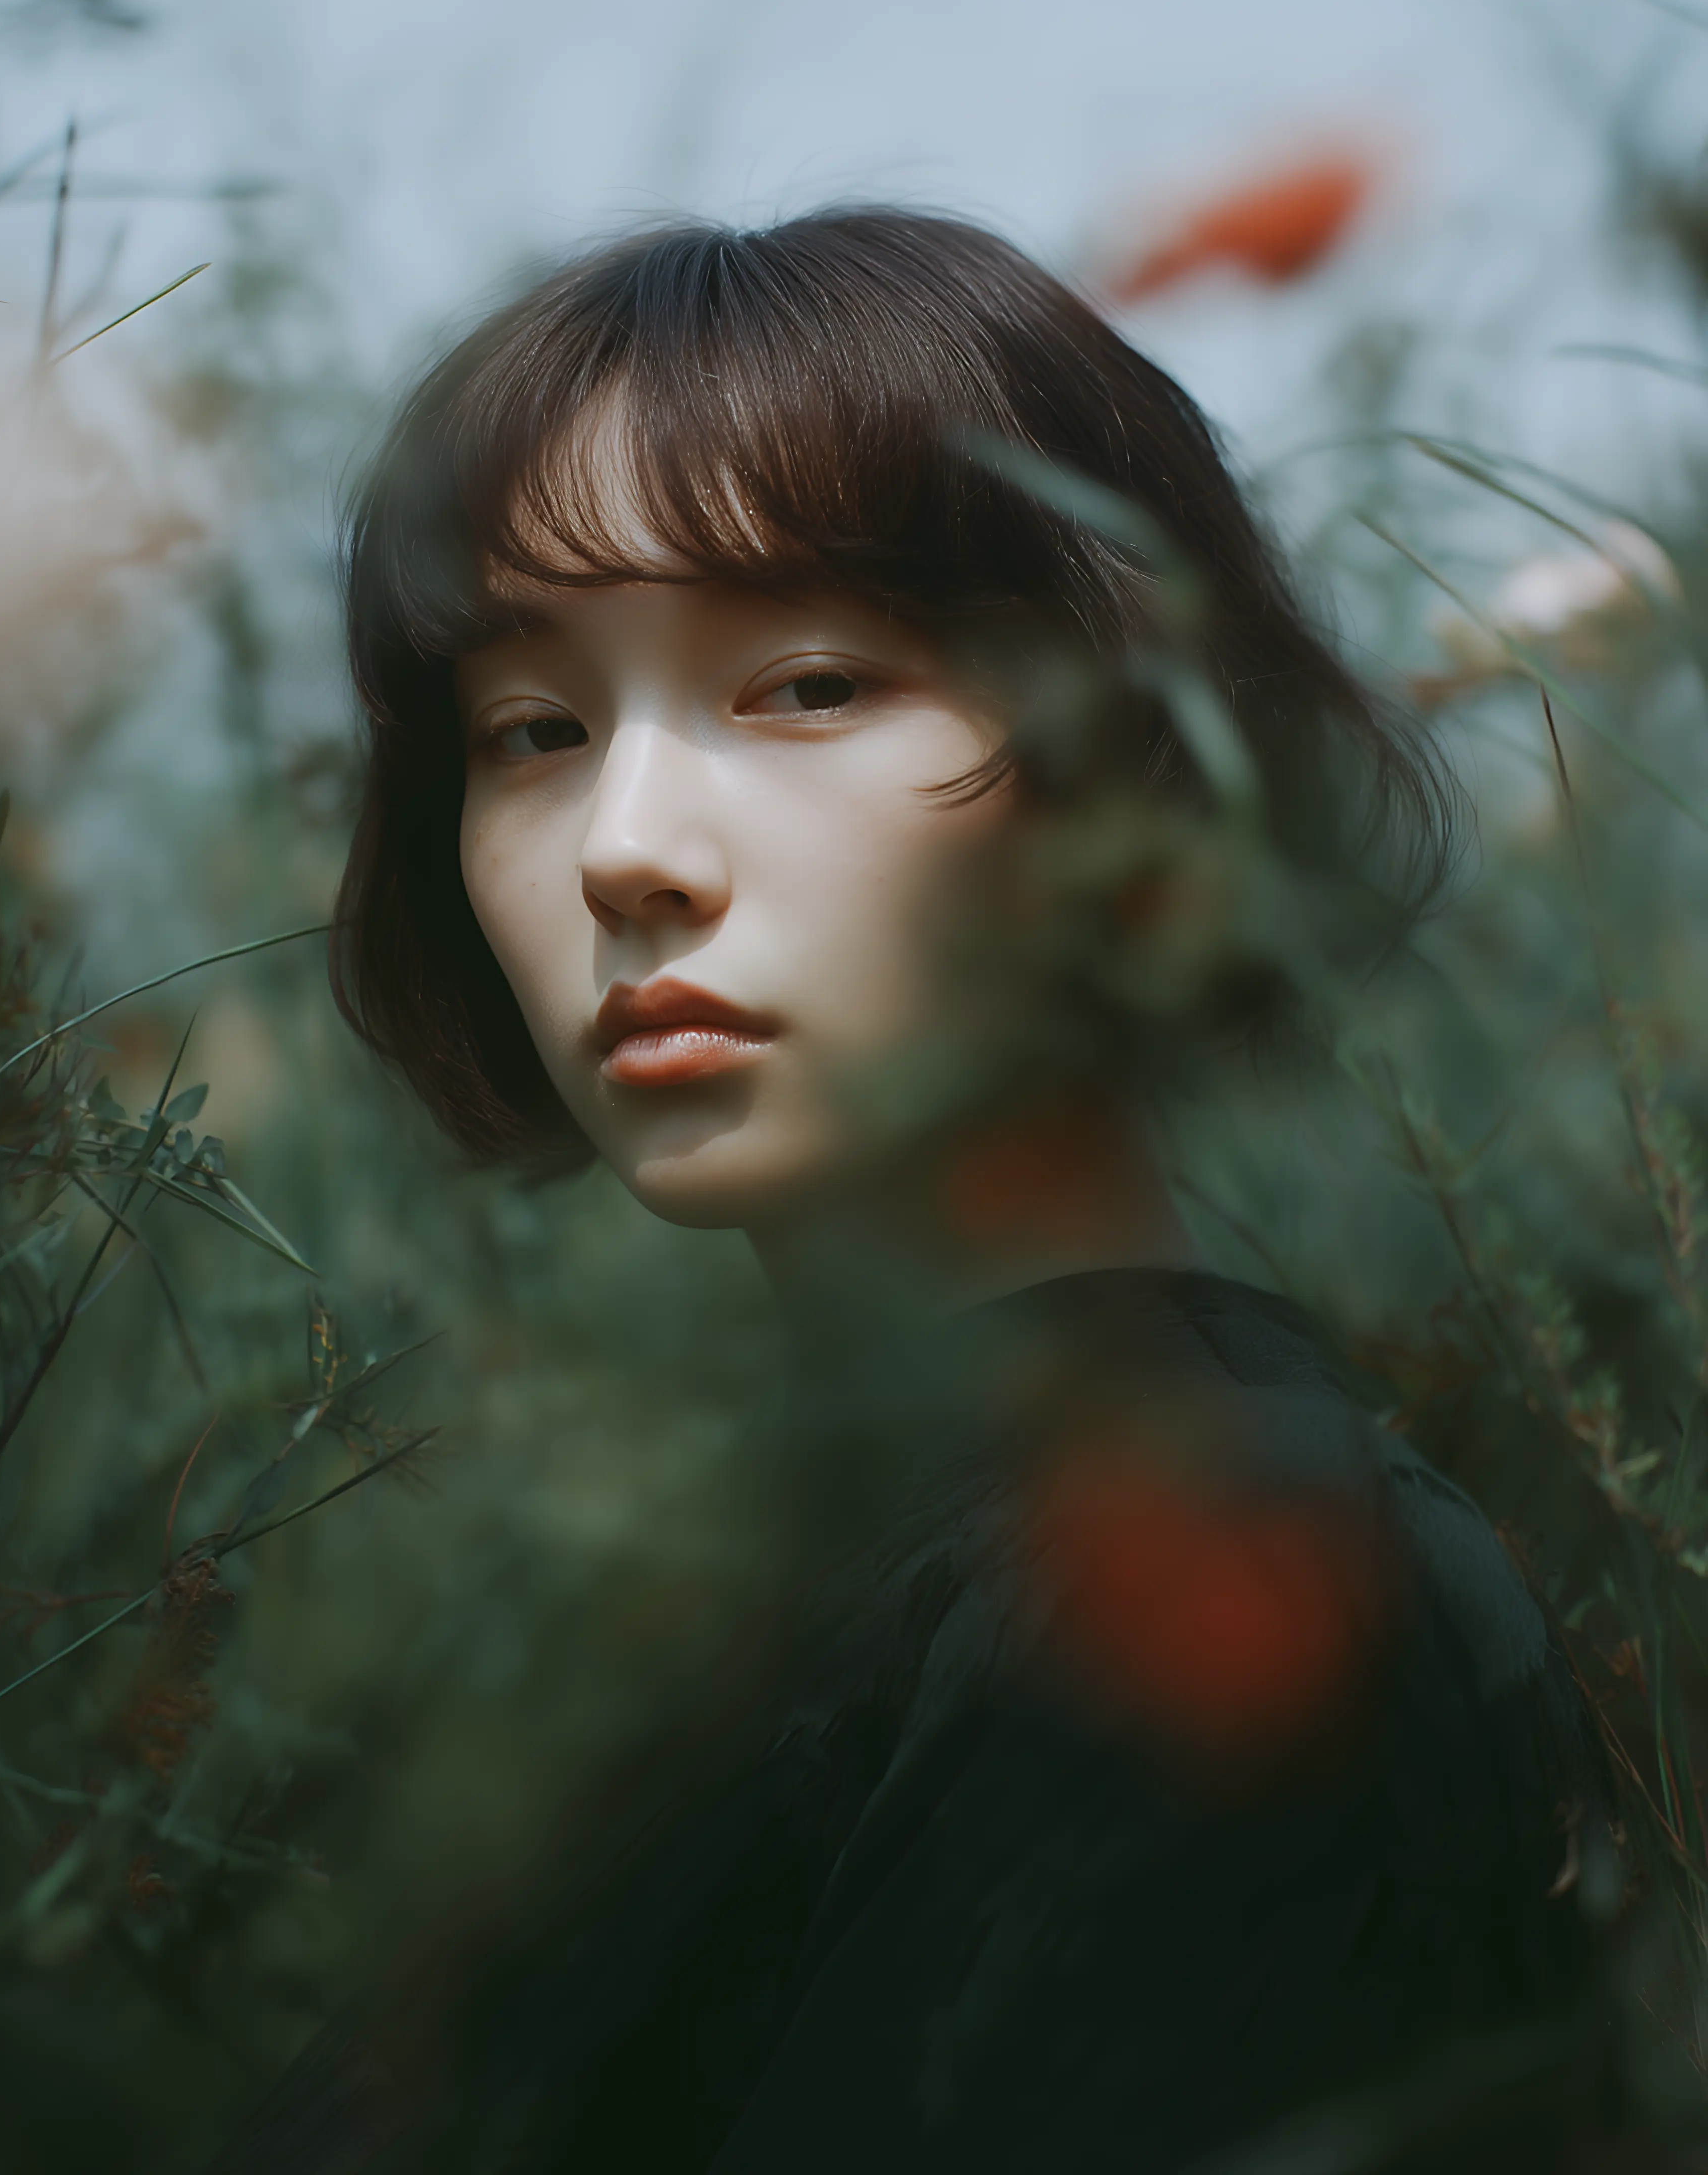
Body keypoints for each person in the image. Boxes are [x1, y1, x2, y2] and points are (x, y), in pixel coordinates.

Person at [211, 209, 1614, 2173]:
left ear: (1136, 751)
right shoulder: (733, 1601)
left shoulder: (1216, 1598)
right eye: (531, 730)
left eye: (803, 686)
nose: (626, 848)